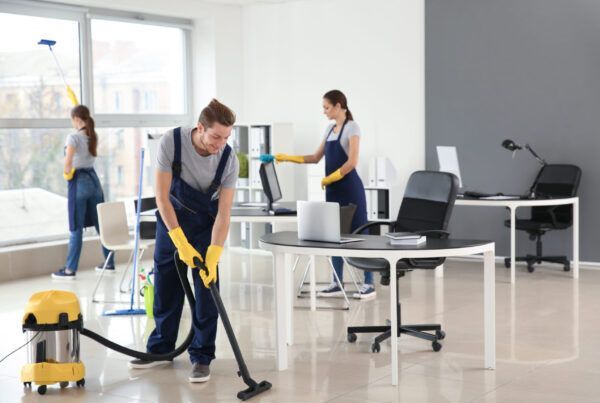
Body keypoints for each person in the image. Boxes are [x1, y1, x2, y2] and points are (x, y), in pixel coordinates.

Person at [128, 99, 239, 384]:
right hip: (172, 219)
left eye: (227, 137)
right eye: (216, 136)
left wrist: (213, 254)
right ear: (200, 128)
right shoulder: (172, 142)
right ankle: (161, 350)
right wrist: (179, 240)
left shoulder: (229, 160)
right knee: (166, 284)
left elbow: (224, 215)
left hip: (206, 225)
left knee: (206, 291)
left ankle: (202, 357)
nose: (220, 144)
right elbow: (162, 198)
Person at [274, 90, 375, 299]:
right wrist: (287, 158)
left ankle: (369, 284)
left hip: (350, 189)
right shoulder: (330, 129)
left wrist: (332, 177)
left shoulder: (352, 127)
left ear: (338, 106)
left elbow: (352, 161)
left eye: (326, 107)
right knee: (333, 235)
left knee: (359, 234)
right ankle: (336, 282)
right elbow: (314, 157)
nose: (324, 111)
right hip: (333, 190)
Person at [52, 105, 114, 279]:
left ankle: (70, 269)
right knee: (100, 224)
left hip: (78, 181)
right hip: (94, 182)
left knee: (75, 227)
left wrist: (66, 174)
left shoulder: (73, 137)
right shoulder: (92, 135)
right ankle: (109, 263)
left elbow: (68, 162)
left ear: (76, 119)